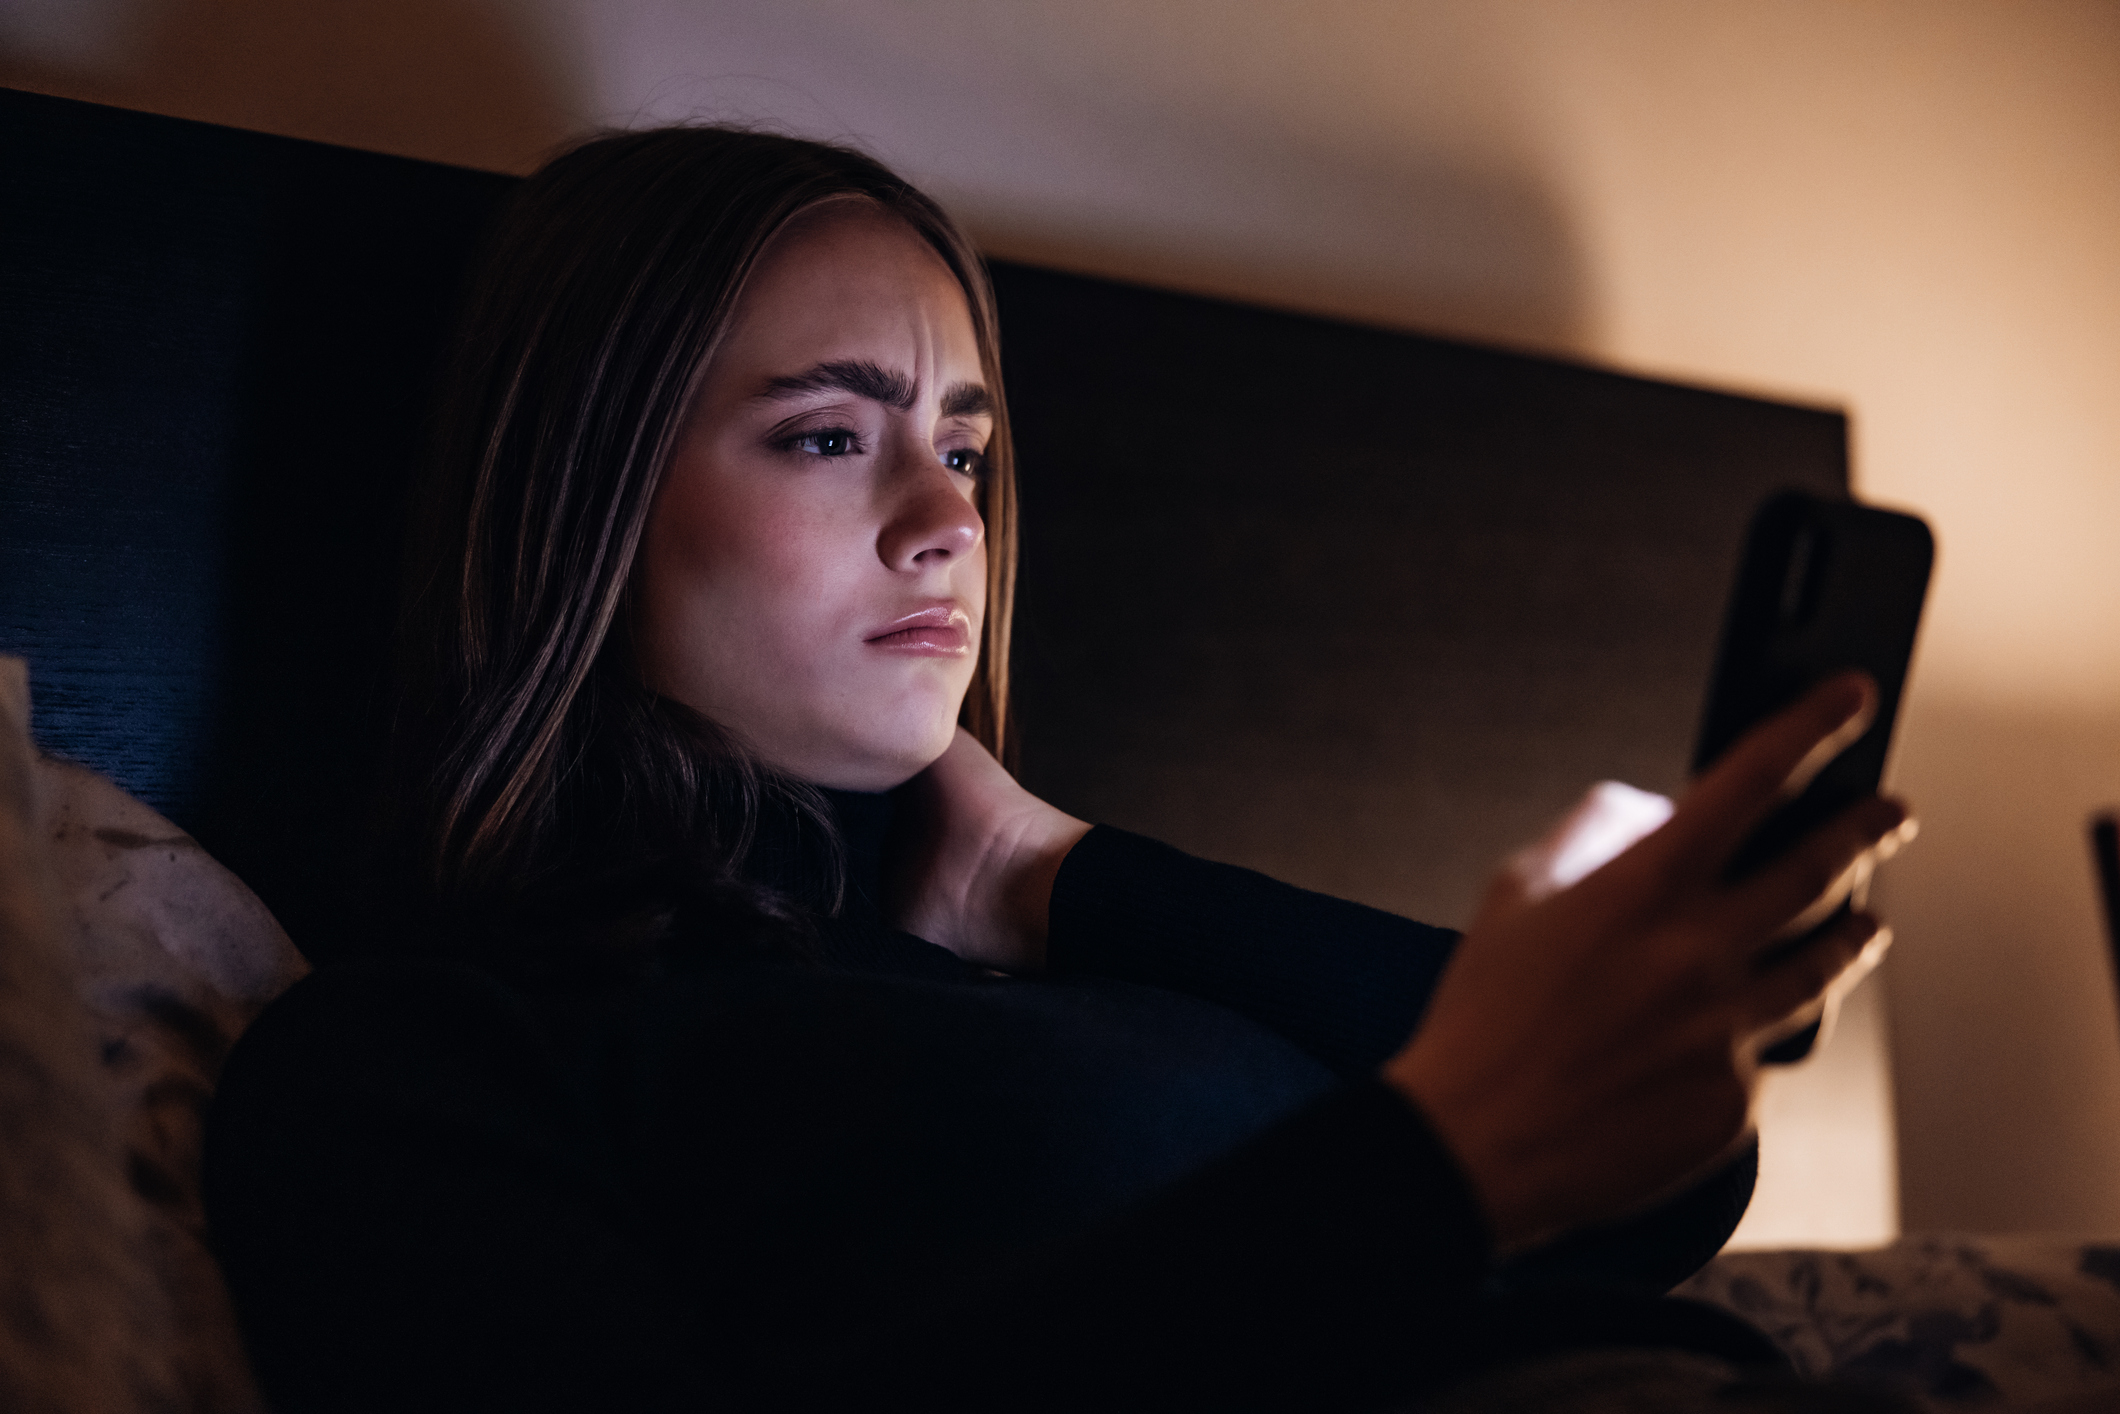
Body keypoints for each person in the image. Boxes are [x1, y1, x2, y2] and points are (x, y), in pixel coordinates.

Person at [201, 126, 1913, 1413]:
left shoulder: (1064, 942)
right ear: (585, 500)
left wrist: (1052, 868)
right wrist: (1432, 1170)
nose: (950, 521)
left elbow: (1672, 1178)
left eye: (963, 444)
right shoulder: (419, 1054)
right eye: (825, 434)